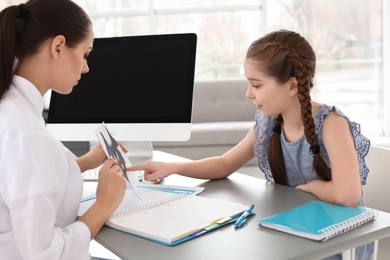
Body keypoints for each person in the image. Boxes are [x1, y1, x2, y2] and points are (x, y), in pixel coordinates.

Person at [128, 29, 373, 259]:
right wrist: (173, 168)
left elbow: (346, 196)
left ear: (292, 85)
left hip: (337, 242)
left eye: (256, 84)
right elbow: (224, 164)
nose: (248, 93)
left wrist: (315, 187)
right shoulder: (267, 125)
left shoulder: (331, 123)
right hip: (295, 233)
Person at [0, 0, 126, 259]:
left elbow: (20, 181)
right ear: (57, 47)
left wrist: (83, 163)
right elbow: (44, 254)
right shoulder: (28, 135)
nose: (86, 67)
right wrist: (104, 204)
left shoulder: (11, 108)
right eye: (85, 54)